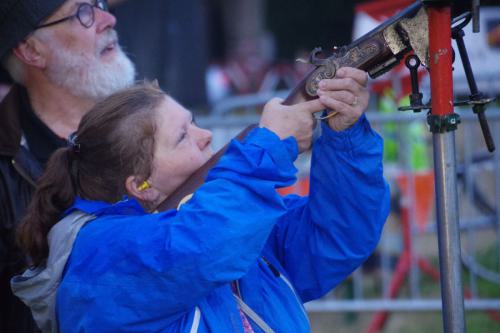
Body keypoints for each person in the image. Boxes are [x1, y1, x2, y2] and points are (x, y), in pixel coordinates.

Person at [12, 72, 389, 332]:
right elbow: (203, 245)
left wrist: (345, 135)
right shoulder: (98, 253)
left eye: (194, 123)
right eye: (183, 137)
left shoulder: (217, 220)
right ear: (141, 186)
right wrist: (268, 146)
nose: (206, 136)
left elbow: (337, 238)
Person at [0, 0, 135, 331]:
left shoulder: (154, 120)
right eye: (82, 12)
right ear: (31, 50)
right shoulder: (6, 166)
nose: (108, 18)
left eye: (100, 4)